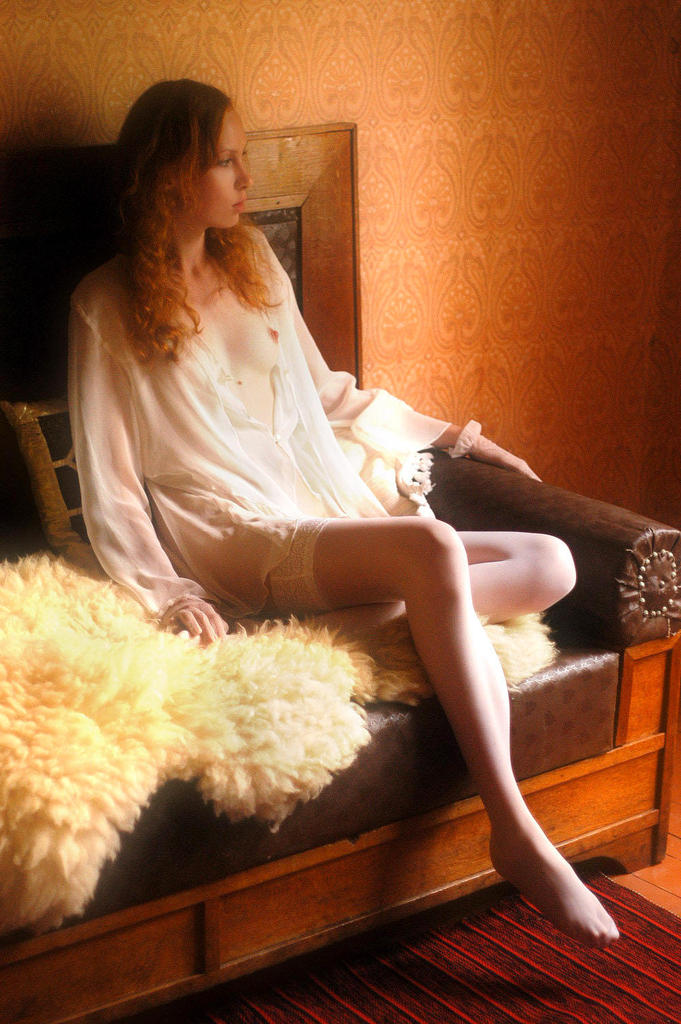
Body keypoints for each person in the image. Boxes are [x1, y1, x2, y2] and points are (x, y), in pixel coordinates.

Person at [68, 79, 619, 948]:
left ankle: (332, 623)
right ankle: (514, 828)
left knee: (553, 563)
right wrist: (169, 592)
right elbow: (112, 483)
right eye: (226, 160)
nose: (247, 178)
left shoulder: (254, 263)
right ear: (170, 173)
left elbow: (327, 394)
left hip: (308, 504)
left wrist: (456, 438)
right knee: (431, 550)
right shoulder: (103, 306)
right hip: (231, 530)